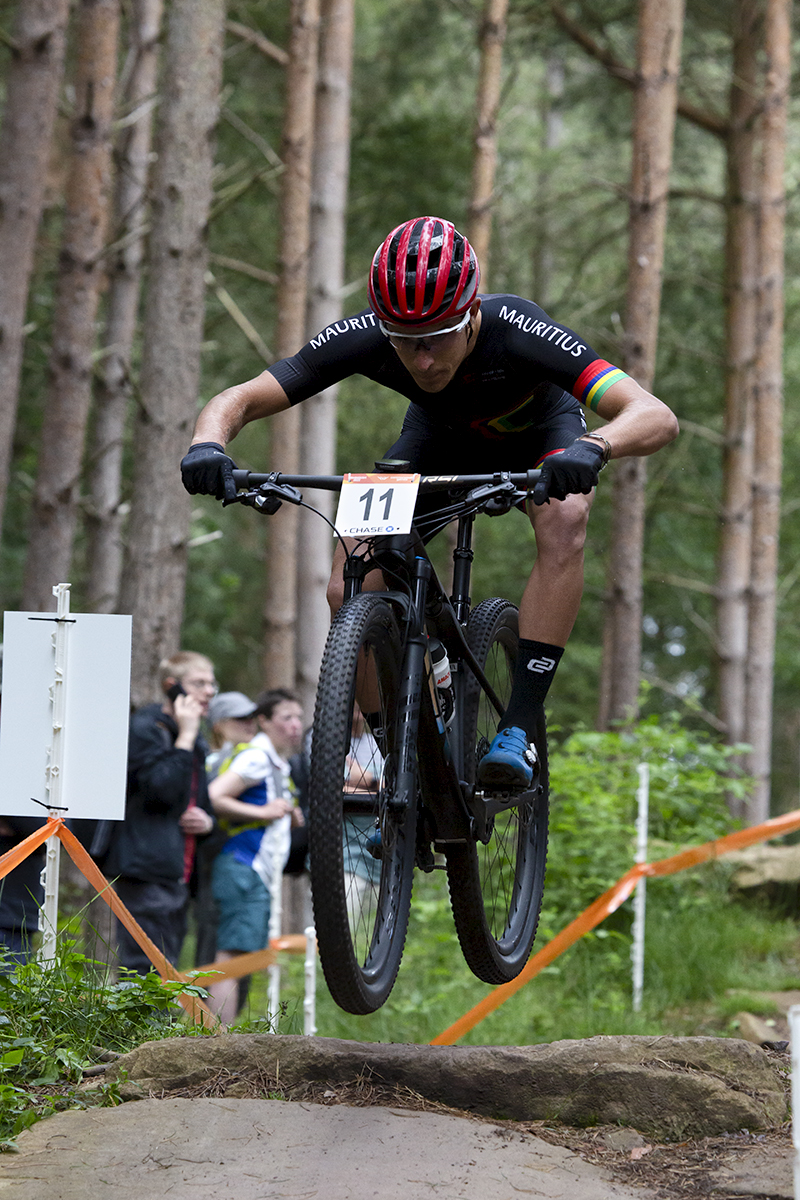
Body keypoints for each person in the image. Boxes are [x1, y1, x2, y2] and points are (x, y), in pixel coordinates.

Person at [181, 215, 679, 789]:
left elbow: (653, 414)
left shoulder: (518, 329)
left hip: (544, 435)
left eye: (438, 337)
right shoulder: (367, 336)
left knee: (565, 516)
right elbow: (241, 398)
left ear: (470, 315)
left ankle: (518, 728)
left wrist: (596, 446)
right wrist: (207, 445)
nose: (421, 360)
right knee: (350, 579)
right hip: (436, 439)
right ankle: (398, 756)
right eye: (404, 341)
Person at [102, 651, 217, 974]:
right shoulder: (146, 728)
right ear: (172, 687)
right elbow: (159, 790)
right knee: (145, 964)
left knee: (169, 961)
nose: (208, 691)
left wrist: (206, 821)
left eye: (211, 684)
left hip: (178, 869)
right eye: (198, 683)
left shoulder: (192, 737)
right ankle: (137, 1026)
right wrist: (186, 737)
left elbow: (200, 800)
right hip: (144, 865)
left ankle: (163, 1026)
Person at [205, 688, 304, 1024]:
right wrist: (263, 812)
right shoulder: (257, 757)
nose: (296, 725)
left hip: (253, 871)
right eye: (286, 717)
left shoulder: (275, 762)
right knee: (232, 957)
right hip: (243, 867)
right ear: (265, 722)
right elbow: (214, 796)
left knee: (241, 956)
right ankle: (217, 1039)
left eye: (299, 717)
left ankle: (218, 1035)